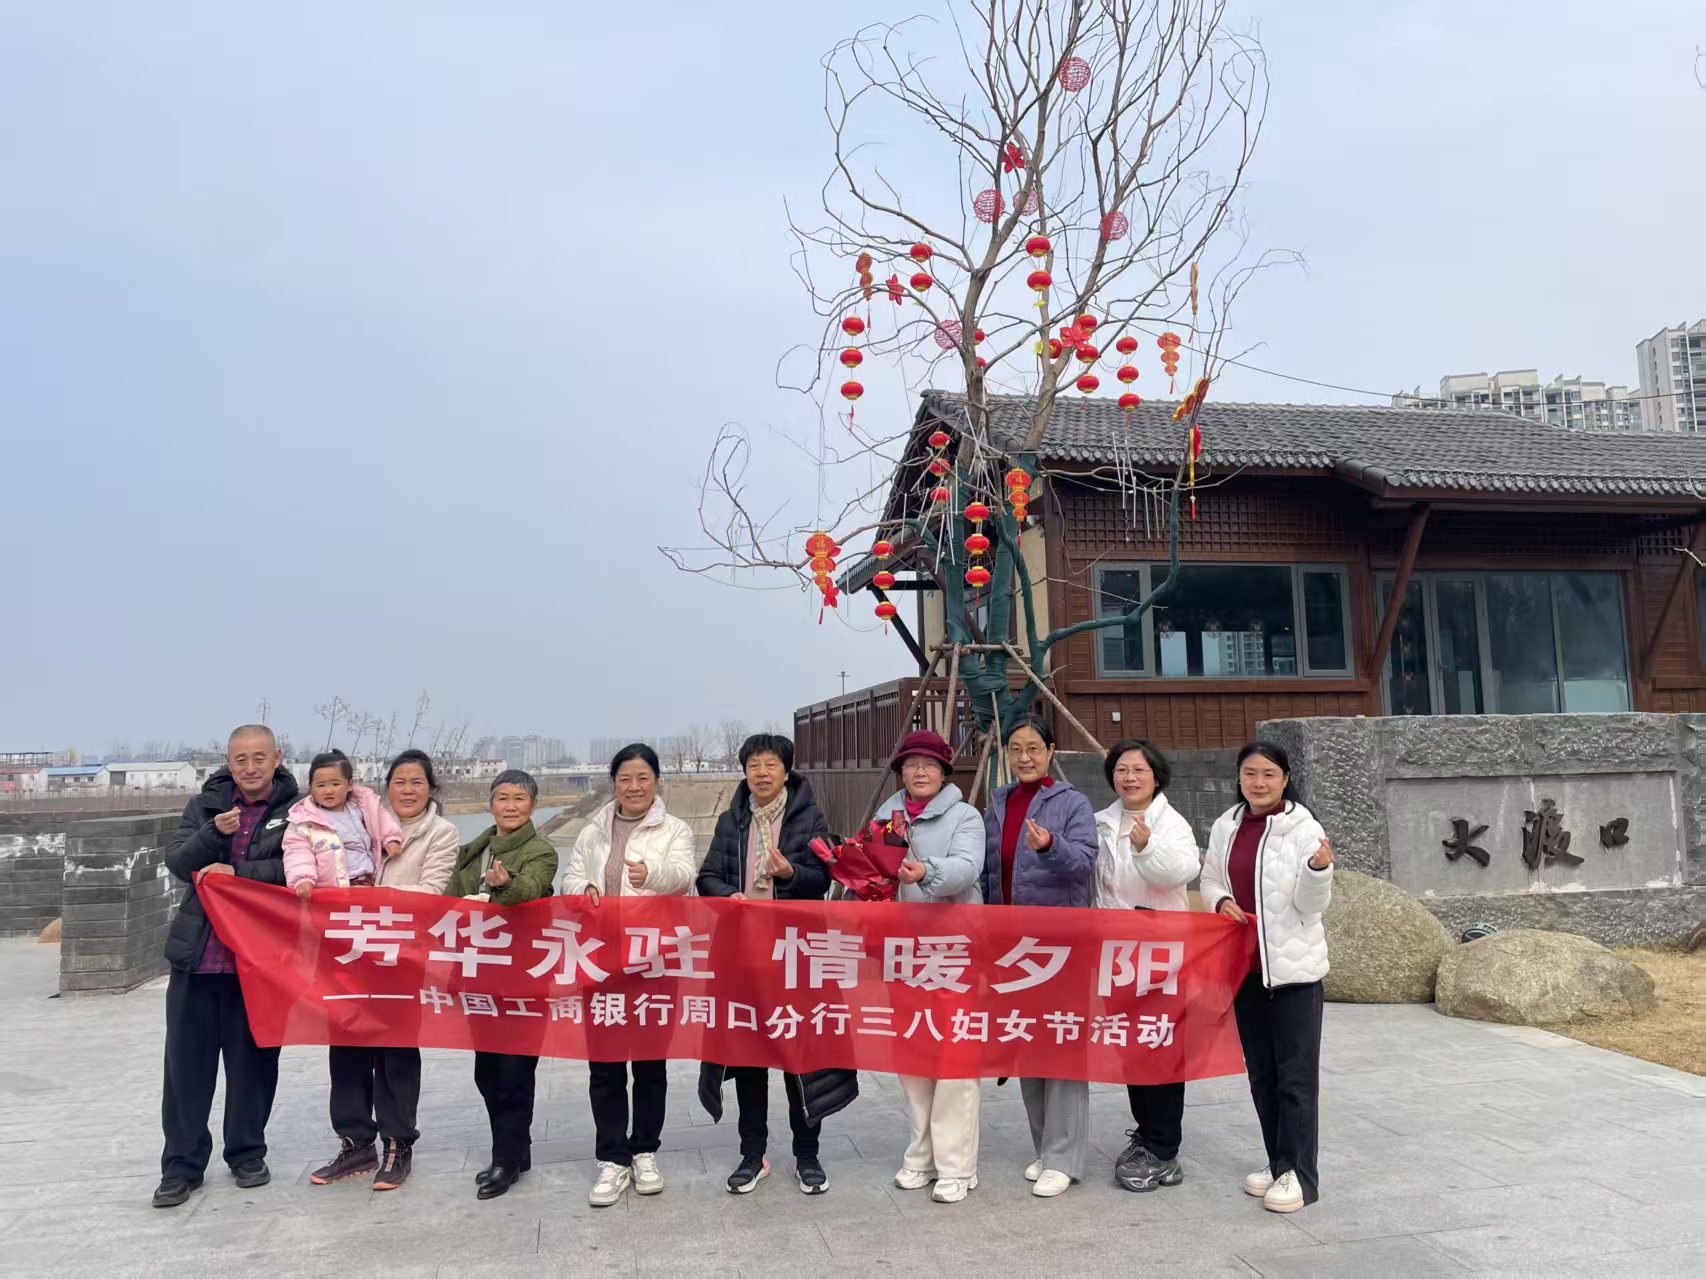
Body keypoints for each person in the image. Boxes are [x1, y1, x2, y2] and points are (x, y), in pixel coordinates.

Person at [154, 724, 299, 1209]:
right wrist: (212, 833)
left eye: (260, 757)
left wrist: (239, 874)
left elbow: (302, 872)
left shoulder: (296, 812)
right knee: (185, 1070)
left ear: (277, 757)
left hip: (258, 963)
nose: (251, 767)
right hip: (199, 957)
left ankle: (247, 1153)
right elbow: (178, 862)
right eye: (241, 759)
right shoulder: (205, 805)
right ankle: (181, 1166)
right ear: (228, 762)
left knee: (253, 1065)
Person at [303, 749, 458, 1194]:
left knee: (395, 1053)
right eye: (399, 782)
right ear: (385, 788)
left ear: (431, 788)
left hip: (402, 957)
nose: (407, 790)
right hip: (349, 954)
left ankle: (396, 1143)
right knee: (346, 1050)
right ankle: (355, 1143)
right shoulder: (363, 820)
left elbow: (430, 892)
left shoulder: (441, 833)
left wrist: (367, 898)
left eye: (417, 782)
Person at [697, 732, 841, 1195]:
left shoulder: (808, 817)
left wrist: (790, 873)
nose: (761, 773)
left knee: (802, 1059)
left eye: (770, 765)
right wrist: (729, 895)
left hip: (795, 956)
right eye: (754, 765)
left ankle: (807, 1155)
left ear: (786, 770)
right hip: (743, 955)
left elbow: (824, 878)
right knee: (748, 1059)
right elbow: (706, 876)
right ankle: (751, 1153)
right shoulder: (732, 819)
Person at [1199, 741, 1334, 1214]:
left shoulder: (1303, 827)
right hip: (1246, 968)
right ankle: (1279, 1163)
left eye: (1269, 774)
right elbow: (1210, 878)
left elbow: (1311, 905)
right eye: (1250, 774)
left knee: (1295, 1078)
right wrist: (1220, 901)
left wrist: (1317, 870)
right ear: (1239, 778)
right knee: (1262, 1074)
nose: (1259, 783)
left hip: (1294, 973)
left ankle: (1301, 1176)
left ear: (1285, 779)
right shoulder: (1227, 824)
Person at [561, 743, 697, 1208]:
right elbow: (571, 879)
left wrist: (650, 874)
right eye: (625, 778)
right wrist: (585, 886)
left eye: (643, 778)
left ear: (656, 782)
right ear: (613, 783)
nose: (634, 787)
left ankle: (644, 1152)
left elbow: (684, 876)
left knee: (650, 1063)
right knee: (605, 1065)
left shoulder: (675, 829)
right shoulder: (592, 832)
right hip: (601, 961)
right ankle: (612, 1158)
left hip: (654, 961)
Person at [980, 713, 1097, 1198]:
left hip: (1059, 945)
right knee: (1027, 1040)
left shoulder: (1072, 802)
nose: (1024, 757)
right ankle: (1045, 1148)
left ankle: (1064, 1158)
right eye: (1015, 749)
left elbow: (1085, 863)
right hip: (1012, 946)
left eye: (1033, 748)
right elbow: (989, 875)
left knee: (1063, 1044)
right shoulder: (998, 803)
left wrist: (1051, 845)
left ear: (1051, 752)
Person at [876, 730, 986, 1205]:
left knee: (954, 1053)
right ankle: (922, 1153)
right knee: (913, 1051)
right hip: (903, 951)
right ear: (900, 771)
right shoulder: (886, 817)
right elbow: (872, 870)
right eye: (911, 764)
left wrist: (927, 873)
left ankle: (958, 1165)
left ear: (944, 773)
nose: (920, 772)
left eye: (930, 765)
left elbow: (967, 869)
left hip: (952, 949)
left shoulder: (965, 816)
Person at [1094, 739, 1202, 1194]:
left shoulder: (1171, 823)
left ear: (1156, 776)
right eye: (1122, 769)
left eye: (1139, 769)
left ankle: (1163, 1147)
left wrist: (1147, 847)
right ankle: (1148, 1135)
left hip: (1160, 955)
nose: (1130, 777)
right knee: (1131, 1047)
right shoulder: (1101, 821)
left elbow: (1181, 872)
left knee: (1160, 1044)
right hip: (1115, 955)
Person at [446, 769, 559, 1200]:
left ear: (533, 805)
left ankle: (505, 1159)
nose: (510, 806)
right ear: (490, 803)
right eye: (503, 798)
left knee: (514, 1072)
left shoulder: (540, 851)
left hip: (522, 979)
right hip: (479, 975)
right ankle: (517, 1150)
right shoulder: (474, 850)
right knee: (487, 1072)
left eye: (519, 799)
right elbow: (447, 901)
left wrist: (505, 884)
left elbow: (530, 890)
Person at [284, 749, 404, 899]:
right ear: (311, 787)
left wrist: (391, 839)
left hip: (367, 881)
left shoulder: (362, 807)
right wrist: (302, 878)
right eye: (321, 785)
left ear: (349, 785)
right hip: (331, 890)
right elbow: (297, 851)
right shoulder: (304, 820)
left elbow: (381, 819)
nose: (328, 790)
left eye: (335, 784)